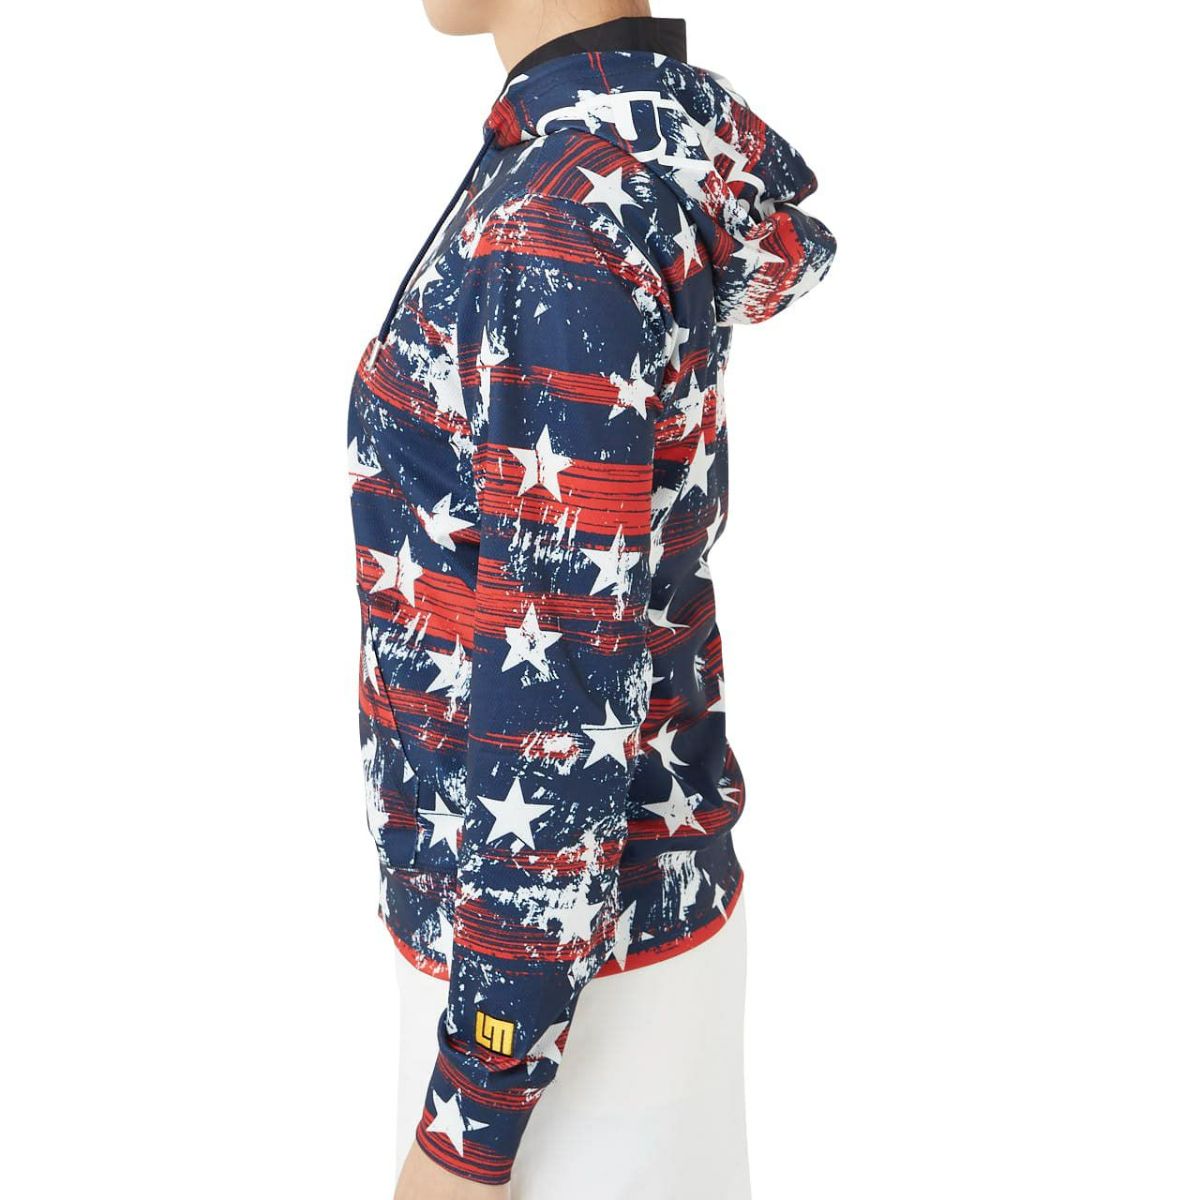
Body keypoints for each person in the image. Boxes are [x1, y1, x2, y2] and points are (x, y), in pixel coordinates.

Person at [347, 2, 836, 1196]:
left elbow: (555, 693)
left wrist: (470, 1119)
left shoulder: (553, 218)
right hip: (602, 957)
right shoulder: (613, 158)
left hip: (552, 1007)